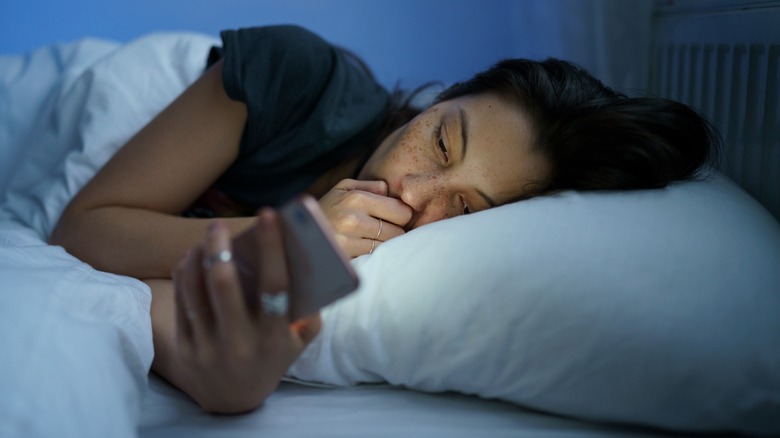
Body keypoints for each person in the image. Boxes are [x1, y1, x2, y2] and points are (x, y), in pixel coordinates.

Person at [48, 25, 719, 413]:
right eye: (441, 142)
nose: (414, 188)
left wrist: (238, 375)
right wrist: (290, 235)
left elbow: (179, 324)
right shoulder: (299, 77)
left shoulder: (393, 254)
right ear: (439, 101)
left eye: (463, 207)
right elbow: (82, 230)